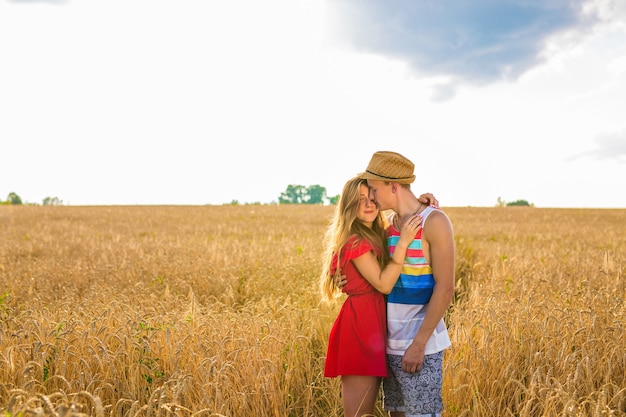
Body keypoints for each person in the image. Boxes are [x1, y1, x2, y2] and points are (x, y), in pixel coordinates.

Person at [359, 150, 455, 417]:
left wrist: (419, 344)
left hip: (420, 348)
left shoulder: (434, 221)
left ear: (393, 186)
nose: (372, 196)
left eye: (375, 189)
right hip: (390, 347)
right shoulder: (389, 225)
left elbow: (445, 287)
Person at [320, 176, 424, 417]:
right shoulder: (356, 241)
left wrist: (424, 203)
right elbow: (384, 284)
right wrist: (404, 244)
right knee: (359, 415)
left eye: (371, 197)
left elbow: (401, 215)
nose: (368, 204)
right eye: (360, 200)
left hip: (374, 324)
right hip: (360, 329)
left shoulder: (376, 232)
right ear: (348, 206)